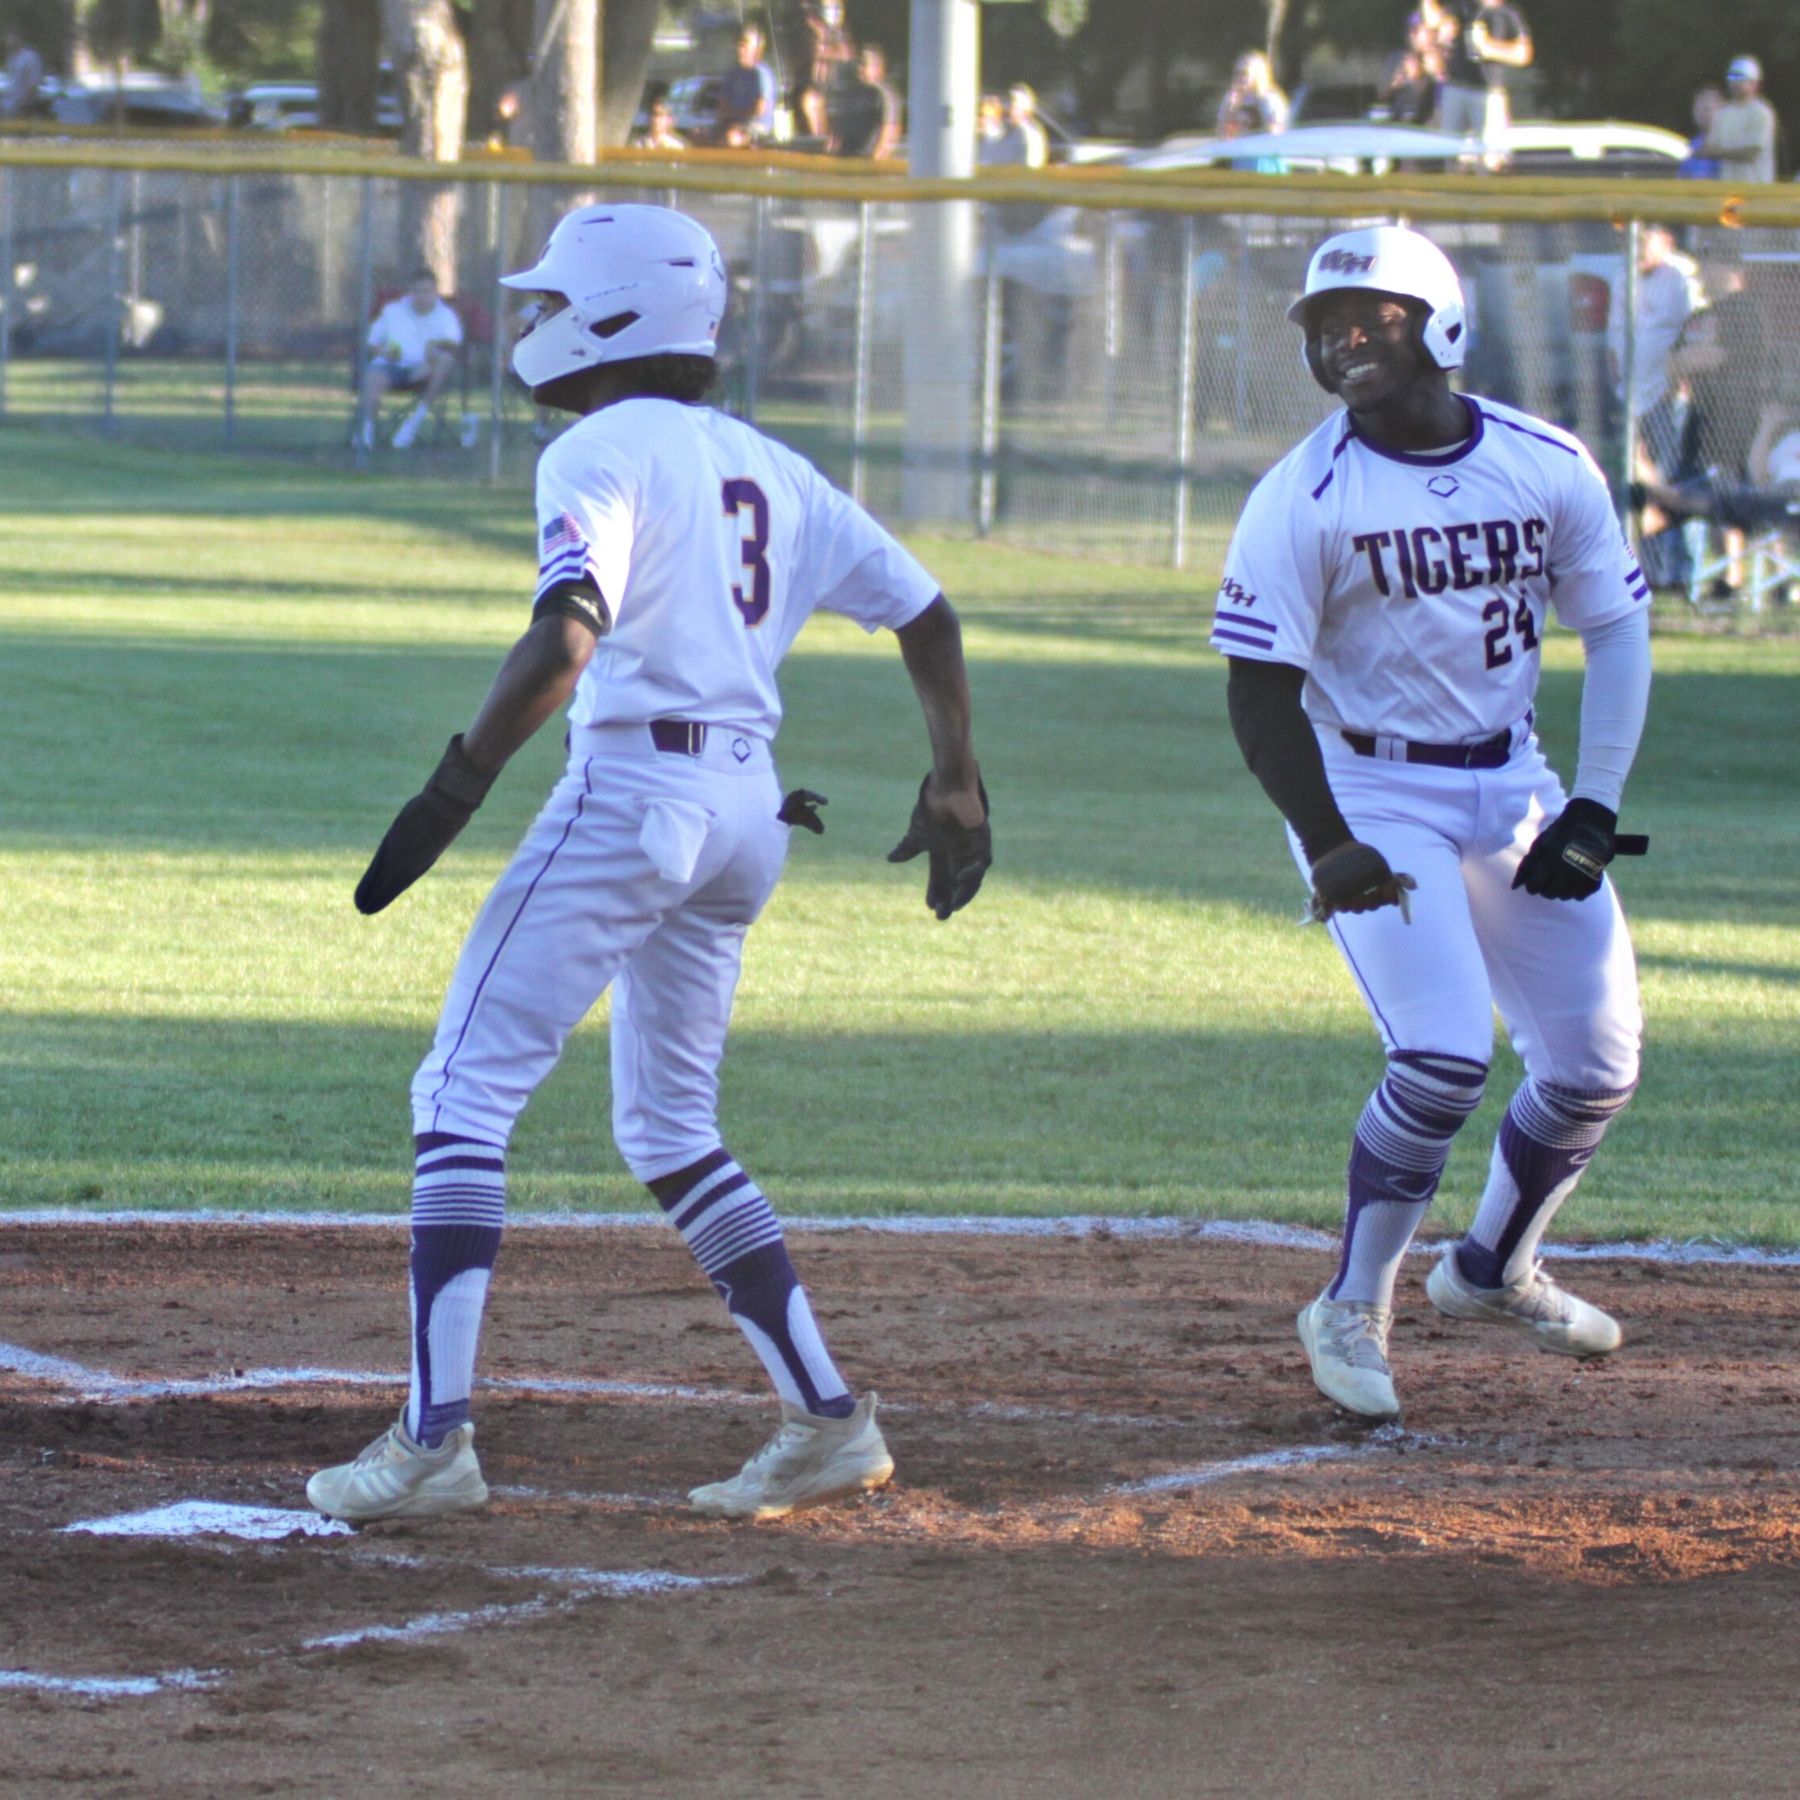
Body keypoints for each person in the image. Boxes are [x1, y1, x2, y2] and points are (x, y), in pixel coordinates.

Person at [306, 203, 992, 1525]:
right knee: (670, 1127)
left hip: (635, 793)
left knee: (461, 1091)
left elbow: (568, 637)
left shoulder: (597, 448)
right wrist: (955, 774)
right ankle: (826, 1420)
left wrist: (458, 783)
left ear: (615, 315)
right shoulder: (772, 465)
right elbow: (928, 613)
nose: (536, 322)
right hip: (745, 812)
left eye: (559, 301)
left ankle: (433, 1444)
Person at [1211, 225, 1651, 1421]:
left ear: (1441, 323)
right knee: (1445, 1055)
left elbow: (1616, 630)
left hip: (1513, 781)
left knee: (1597, 1066)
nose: (1344, 341)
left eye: (1373, 318)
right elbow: (1258, 692)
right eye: (1323, 326)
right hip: (1369, 787)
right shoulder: (1303, 494)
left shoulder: (1545, 461)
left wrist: (1594, 805)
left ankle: (1493, 1270)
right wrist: (1327, 839)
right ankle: (1352, 1303)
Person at [357, 269, 464, 452]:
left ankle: (412, 426)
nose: (421, 296)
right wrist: (384, 352)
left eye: (427, 291)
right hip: (391, 368)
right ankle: (365, 431)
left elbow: (453, 344)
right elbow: (371, 343)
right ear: (410, 292)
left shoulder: (446, 315)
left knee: (446, 360)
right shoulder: (392, 311)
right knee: (374, 373)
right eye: (417, 291)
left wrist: (431, 354)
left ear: (435, 292)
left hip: (424, 372)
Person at [1437, 0, 1532, 168]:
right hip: (1458, 88)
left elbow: (1523, 54)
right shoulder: (1464, 8)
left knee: (1492, 160)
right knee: (1455, 155)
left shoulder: (1508, 13)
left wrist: (1489, 47)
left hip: (1491, 93)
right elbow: (1438, 25)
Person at [1701, 55, 1778, 186]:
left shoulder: (1761, 113)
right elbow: (1710, 147)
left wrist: (1719, 152)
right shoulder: (1721, 114)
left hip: (1756, 188)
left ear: (1754, 84)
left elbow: (1752, 153)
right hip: (1728, 189)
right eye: (1732, 78)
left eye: (1741, 78)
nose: (1735, 83)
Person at [830, 45, 900, 161]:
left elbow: (891, 132)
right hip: (846, 157)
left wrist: (877, 161)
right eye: (860, 64)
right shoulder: (853, 90)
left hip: (868, 159)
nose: (860, 69)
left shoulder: (886, 95)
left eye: (866, 64)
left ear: (880, 67)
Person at [717, 25, 777, 147]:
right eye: (738, 45)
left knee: (732, 138)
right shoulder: (732, 74)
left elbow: (759, 109)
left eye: (744, 46)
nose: (739, 50)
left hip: (757, 127)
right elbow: (722, 106)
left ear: (757, 50)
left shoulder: (761, 74)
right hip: (731, 124)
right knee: (697, 134)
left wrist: (736, 118)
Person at [1216, 51, 1289, 140]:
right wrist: (1228, 112)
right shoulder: (1230, 99)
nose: (1239, 77)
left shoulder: (1269, 99)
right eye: (1237, 73)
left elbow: (1275, 133)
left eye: (1244, 73)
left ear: (1257, 74)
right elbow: (1223, 137)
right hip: (1238, 146)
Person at [991, 83, 1049, 169]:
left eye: (1014, 104)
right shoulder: (1007, 128)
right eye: (1011, 103)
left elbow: (1033, 165)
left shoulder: (1031, 132)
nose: (1010, 108)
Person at [2, 31, 43, 118]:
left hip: (22, 105)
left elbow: (34, 84)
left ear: (19, 39)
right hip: (9, 102)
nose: (9, 42)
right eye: (8, 39)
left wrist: (24, 104)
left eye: (12, 39)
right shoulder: (11, 59)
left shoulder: (30, 58)